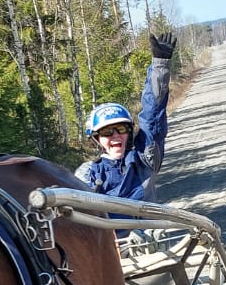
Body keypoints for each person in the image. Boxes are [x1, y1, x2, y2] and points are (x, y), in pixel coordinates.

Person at [76, 31, 177, 201]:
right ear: (96, 139)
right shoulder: (88, 172)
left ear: (129, 131)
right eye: (107, 132)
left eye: (121, 129)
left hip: (145, 227)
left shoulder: (144, 159)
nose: (115, 135)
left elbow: (152, 116)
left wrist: (160, 65)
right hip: (106, 228)